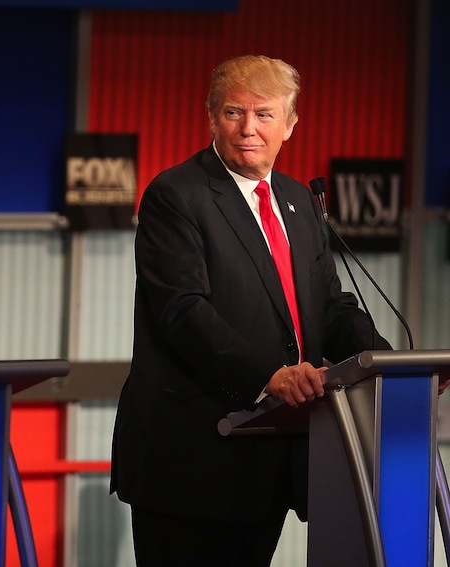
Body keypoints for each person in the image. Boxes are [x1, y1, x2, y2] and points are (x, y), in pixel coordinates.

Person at [110, 55, 392, 566]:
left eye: (264, 114)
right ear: (211, 118)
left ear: (290, 124)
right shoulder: (176, 195)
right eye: (233, 113)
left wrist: (391, 366)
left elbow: (330, 307)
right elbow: (182, 310)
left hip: (269, 459)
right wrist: (269, 374)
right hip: (192, 461)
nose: (248, 129)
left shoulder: (298, 200)